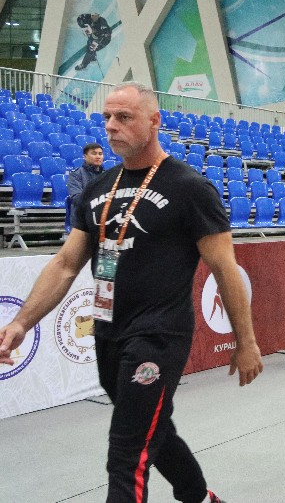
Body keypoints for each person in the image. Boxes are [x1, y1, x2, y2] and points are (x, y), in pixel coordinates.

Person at [0, 82, 263, 503]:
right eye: (107, 117)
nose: (111, 126)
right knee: (152, 429)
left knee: (126, 453)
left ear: (154, 121)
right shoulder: (97, 188)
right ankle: (199, 497)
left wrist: (245, 342)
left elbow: (224, 270)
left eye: (124, 117)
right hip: (108, 331)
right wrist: (20, 322)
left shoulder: (190, 187)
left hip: (159, 335)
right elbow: (66, 264)